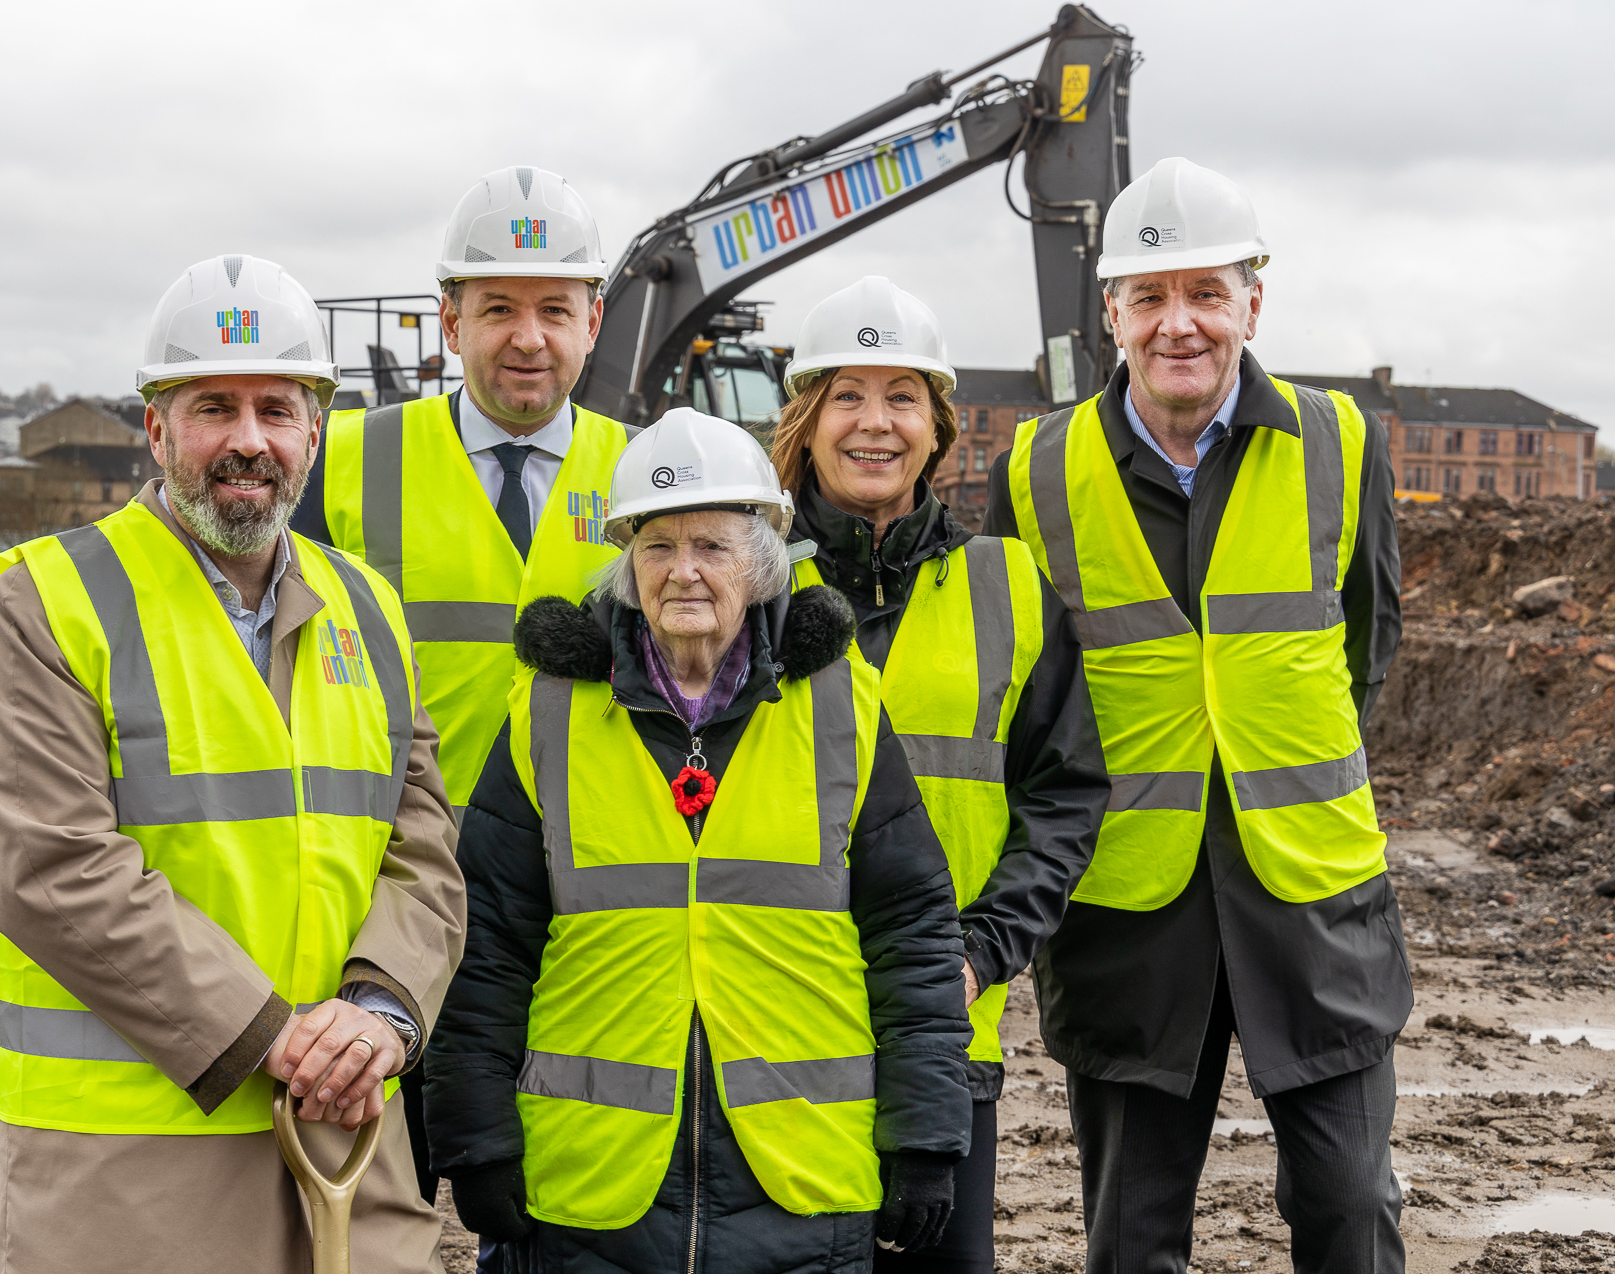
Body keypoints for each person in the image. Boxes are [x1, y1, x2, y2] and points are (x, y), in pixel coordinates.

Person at [0, 255, 465, 1273]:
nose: (249, 440)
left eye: (276, 409)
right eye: (213, 408)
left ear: (314, 431)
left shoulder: (364, 607)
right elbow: (55, 873)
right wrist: (276, 1036)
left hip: (345, 1140)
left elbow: (421, 850)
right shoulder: (48, 599)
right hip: (126, 1173)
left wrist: (379, 1013)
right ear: (155, 428)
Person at [423, 407, 973, 1273]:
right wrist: (473, 1130)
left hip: (801, 1183)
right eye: (658, 547)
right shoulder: (547, 715)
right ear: (627, 563)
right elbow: (485, 940)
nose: (683, 572)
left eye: (711, 546)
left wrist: (928, 1130)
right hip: (590, 1194)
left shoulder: (841, 709)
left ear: (758, 564)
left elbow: (912, 932)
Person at [985, 158, 1407, 1274]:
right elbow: (1021, 691)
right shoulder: (1032, 470)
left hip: (1310, 901)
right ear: (1110, 311)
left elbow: (1364, 645)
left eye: (1206, 293)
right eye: (1150, 295)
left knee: (1349, 1206)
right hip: (1128, 908)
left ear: (1250, 304)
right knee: (1129, 1237)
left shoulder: (1338, 442)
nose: (1180, 323)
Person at [290, 167, 636, 1204]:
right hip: (384, 893)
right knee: (364, 1201)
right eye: (497, 309)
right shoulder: (339, 462)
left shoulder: (645, 476)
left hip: (576, 899)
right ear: (449, 319)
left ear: (593, 321)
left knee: (547, 1190)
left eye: (552, 310)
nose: (526, 337)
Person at [773, 277, 1109, 1273]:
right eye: (845, 395)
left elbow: (1063, 795)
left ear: (936, 428)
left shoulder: (1007, 586)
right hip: (765, 1035)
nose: (873, 422)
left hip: (940, 1034)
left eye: (901, 396)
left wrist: (982, 950)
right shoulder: (738, 581)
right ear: (803, 421)